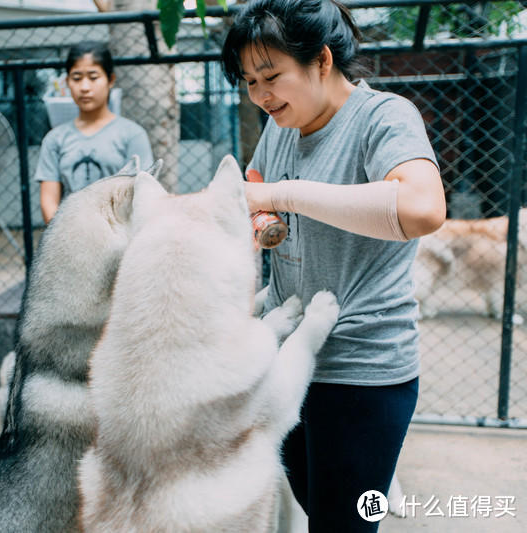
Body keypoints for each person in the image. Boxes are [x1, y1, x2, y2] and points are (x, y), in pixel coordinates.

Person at [221, 0, 446, 531]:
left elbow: (422, 208)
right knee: (315, 501)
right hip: (288, 358)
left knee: (341, 521)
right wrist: (263, 207)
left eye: (271, 76)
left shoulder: (384, 118)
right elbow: (258, 181)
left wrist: (286, 193)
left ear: (321, 61)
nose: (260, 95)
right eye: (250, 81)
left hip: (363, 368)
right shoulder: (281, 124)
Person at [35, 41, 153, 223]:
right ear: (67, 82)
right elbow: (49, 202)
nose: (84, 87)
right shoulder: (55, 139)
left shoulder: (132, 135)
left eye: (93, 77)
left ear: (110, 80)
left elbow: (144, 197)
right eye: (76, 78)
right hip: (70, 238)